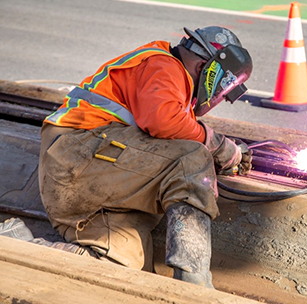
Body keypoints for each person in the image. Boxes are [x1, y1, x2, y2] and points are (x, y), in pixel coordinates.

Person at [10, 26, 252, 288]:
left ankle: (15, 244)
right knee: (192, 160)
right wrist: (217, 146)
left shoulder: (174, 87)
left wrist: (217, 149)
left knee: (125, 264)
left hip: (93, 173)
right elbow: (164, 123)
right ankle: (194, 284)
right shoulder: (164, 64)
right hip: (77, 154)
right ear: (209, 68)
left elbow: (168, 136)